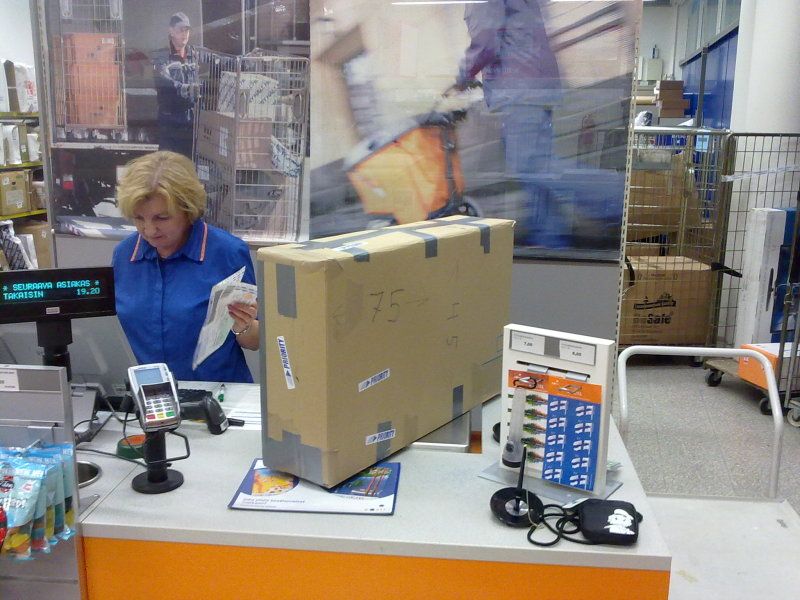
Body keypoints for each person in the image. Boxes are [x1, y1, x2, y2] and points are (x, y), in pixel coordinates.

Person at [112, 151, 259, 383]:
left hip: (220, 394)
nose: (149, 230)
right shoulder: (125, 255)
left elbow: (255, 341)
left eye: (161, 218)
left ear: (188, 210)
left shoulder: (227, 253)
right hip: (157, 394)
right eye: (139, 218)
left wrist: (244, 326)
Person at [456, 0, 568, 248]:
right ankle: (549, 238)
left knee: (531, 167)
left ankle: (609, 193)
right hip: (535, 84)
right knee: (535, 172)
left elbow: (486, 41)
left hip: (519, 88)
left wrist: (460, 77)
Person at [152, 12, 199, 158]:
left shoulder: (194, 54)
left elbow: (218, 61)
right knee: (168, 164)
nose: (185, 34)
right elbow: (162, 79)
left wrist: (244, 60)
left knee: (188, 164)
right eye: (180, 30)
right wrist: (183, 88)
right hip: (170, 122)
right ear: (171, 31)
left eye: (187, 30)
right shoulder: (161, 56)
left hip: (190, 121)